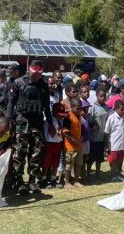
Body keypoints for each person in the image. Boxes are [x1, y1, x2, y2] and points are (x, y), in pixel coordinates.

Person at [7, 60, 55, 195]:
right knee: (19, 153)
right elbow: (11, 101)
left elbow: (46, 106)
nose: (36, 75)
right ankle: (19, 182)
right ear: (29, 70)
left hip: (37, 123)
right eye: (34, 73)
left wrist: (50, 123)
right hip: (21, 122)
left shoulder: (43, 85)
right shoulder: (19, 83)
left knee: (36, 153)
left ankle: (32, 181)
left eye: (39, 73)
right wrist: (8, 119)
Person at [40, 103, 65, 189]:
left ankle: (53, 179)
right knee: (46, 163)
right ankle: (43, 179)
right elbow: (51, 133)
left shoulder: (60, 121)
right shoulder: (49, 121)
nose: (61, 117)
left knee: (56, 163)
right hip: (49, 144)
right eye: (60, 115)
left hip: (58, 144)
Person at [62, 97, 83, 189]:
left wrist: (80, 137)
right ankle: (66, 182)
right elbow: (65, 132)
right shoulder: (68, 117)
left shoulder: (79, 117)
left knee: (78, 164)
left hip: (78, 145)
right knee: (68, 165)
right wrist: (73, 140)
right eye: (77, 108)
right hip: (70, 145)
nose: (79, 110)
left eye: (80, 108)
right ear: (71, 107)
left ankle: (76, 181)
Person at [88, 87, 108, 179]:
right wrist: (93, 126)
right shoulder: (92, 107)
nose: (103, 98)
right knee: (91, 158)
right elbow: (89, 120)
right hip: (93, 137)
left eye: (104, 96)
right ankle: (88, 173)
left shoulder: (106, 107)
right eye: (101, 96)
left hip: (101, 136)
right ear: (96, 96)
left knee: (99, 158)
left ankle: (97, 174)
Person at [105, 99, 124, 182]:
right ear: (116, 109)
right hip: (113, 143)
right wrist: (107, 145)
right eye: (122, 109)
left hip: (121, 144)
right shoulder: (111, 118)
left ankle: (116, 173)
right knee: (113, 160)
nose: (123, 111)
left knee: (118, 160)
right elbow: (106, 132)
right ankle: (112, 175)